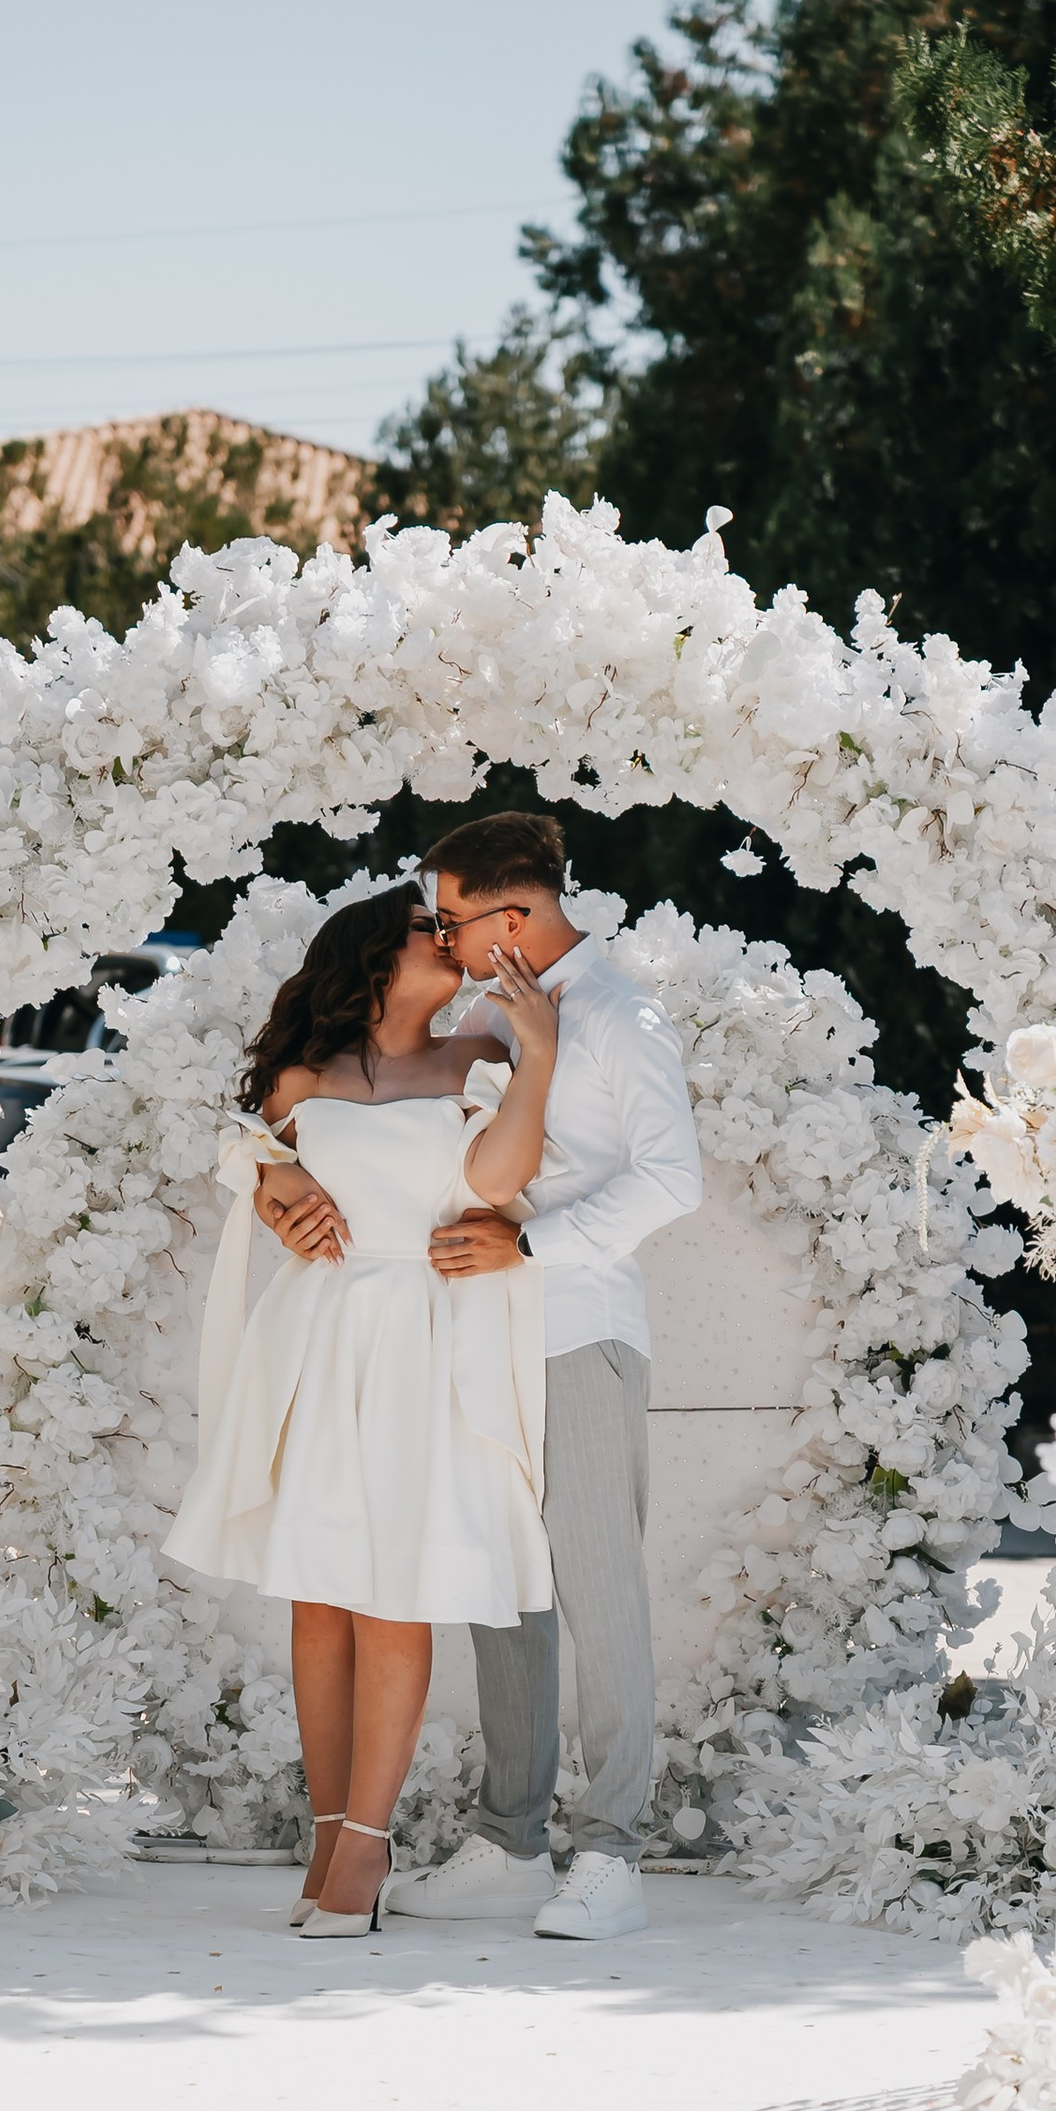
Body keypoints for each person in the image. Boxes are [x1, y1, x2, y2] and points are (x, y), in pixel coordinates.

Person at [253, 812, 703, 1942]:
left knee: (596, 1591)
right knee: (506, 1596)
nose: (441, 937)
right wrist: (274, 1189)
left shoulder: (618, 1015)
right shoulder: (485, 1013)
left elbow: (673, 1180)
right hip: (470, 1334)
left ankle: (613, 1854)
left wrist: (536, 1248)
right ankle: (511, 1840)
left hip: (572, 1327)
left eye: (450, 916)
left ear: (515, 910)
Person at [164, 878, 561, 1936]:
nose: (454, 940)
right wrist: (269, 1183)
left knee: (393, 1593)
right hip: (319, 1338)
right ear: (376, 956)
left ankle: (366, 1852)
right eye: (432, 929)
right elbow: (248, 1147)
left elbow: (499, 1173)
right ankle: (327, 1830)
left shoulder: (479, 1059)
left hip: (425, 1338)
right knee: (317, 1598)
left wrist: (541, 1056)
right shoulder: (305, 1075)